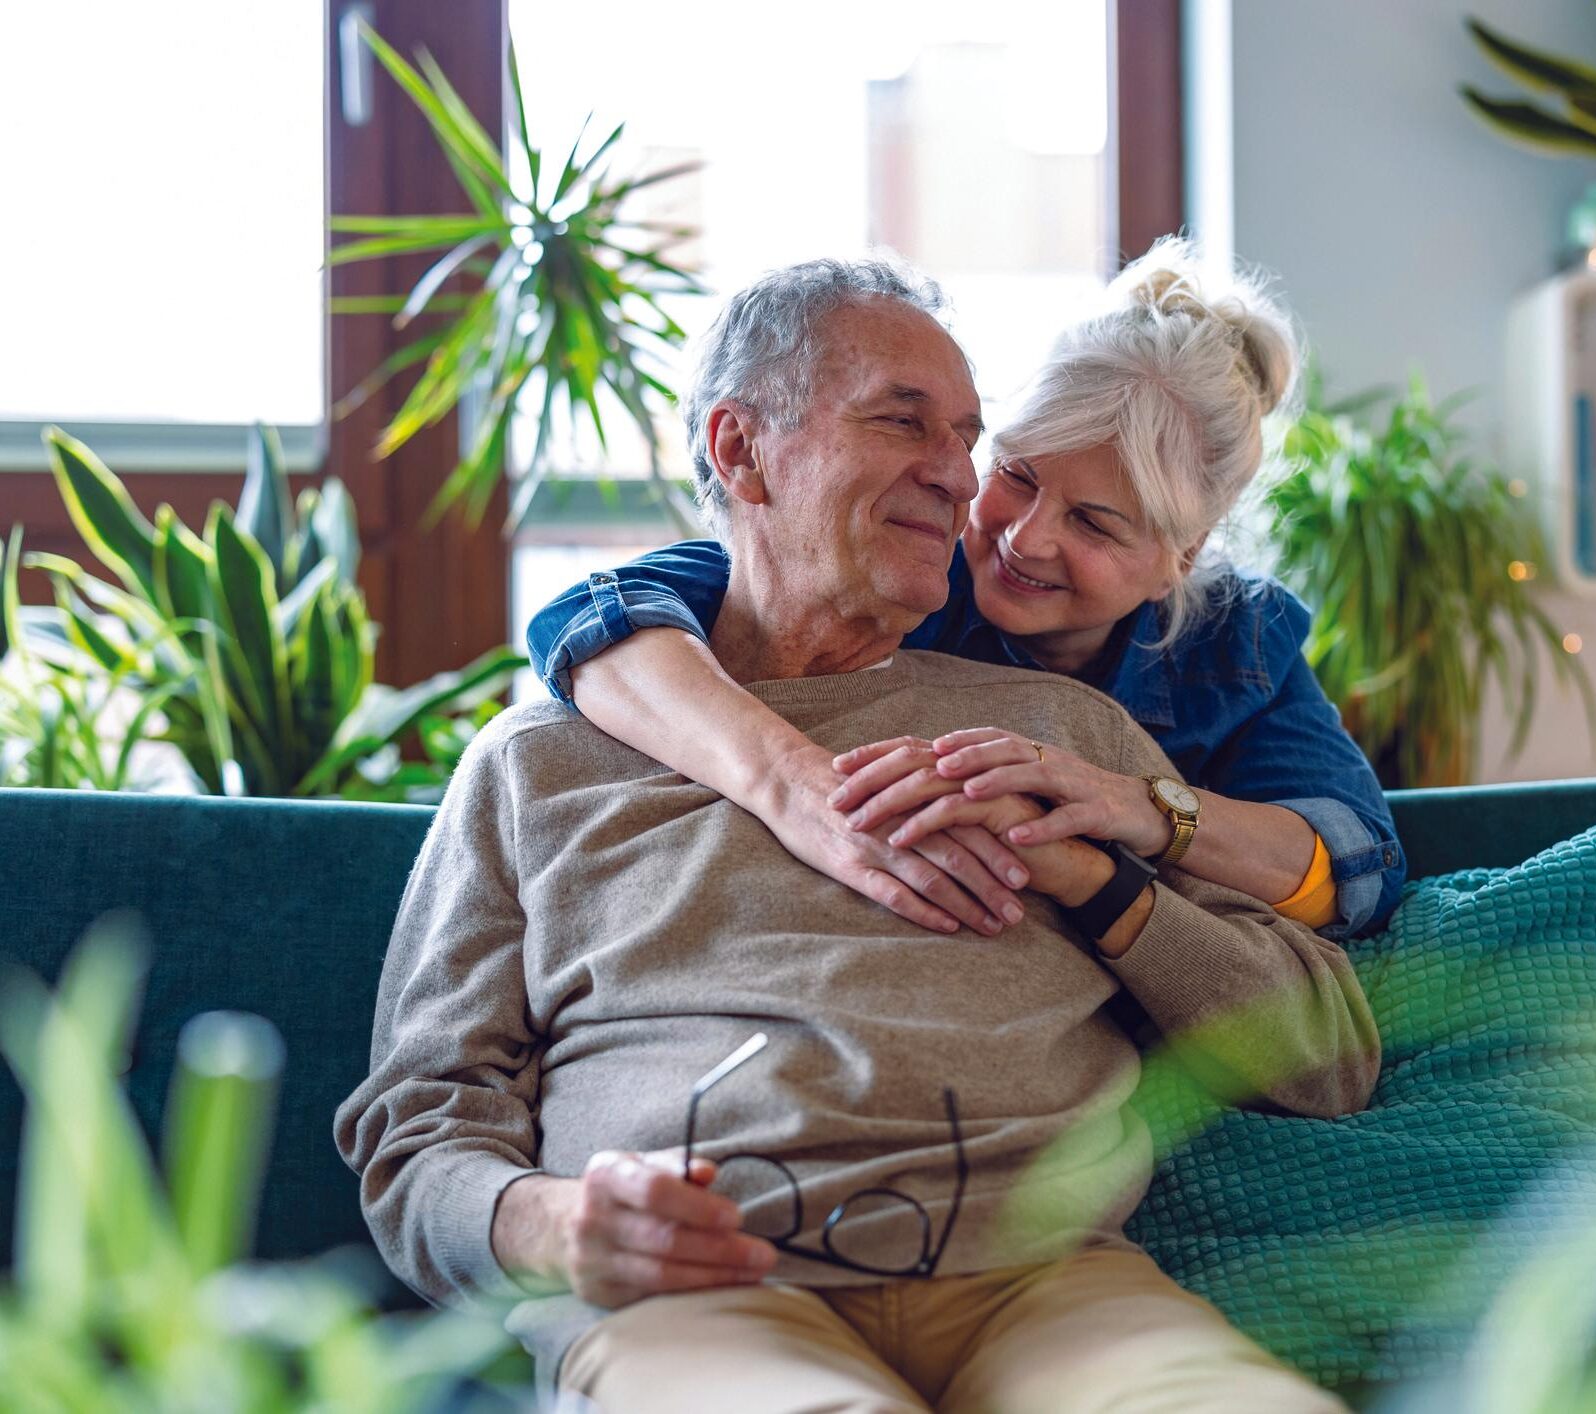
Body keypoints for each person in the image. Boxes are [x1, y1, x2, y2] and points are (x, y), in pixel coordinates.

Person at [336, 257, 1377, 1412]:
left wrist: (1101, 881)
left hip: (1048, 1286)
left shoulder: (1063, 737)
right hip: (701, 1297)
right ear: (740, 452)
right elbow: (416, 1131)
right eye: (904, 423)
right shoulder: (543, 759)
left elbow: (1328, 1043)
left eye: (967, 434)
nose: (961, 480)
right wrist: (556, 1223)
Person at [525, 238, 1405, 956]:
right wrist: (792, 785)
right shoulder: (907, 573)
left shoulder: (1237, 644)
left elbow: (1355, 868)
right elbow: (595, 621)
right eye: (1016, 477)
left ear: (1182, 555)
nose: (1025, 537)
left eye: (1095, 524)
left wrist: (1136, 805)